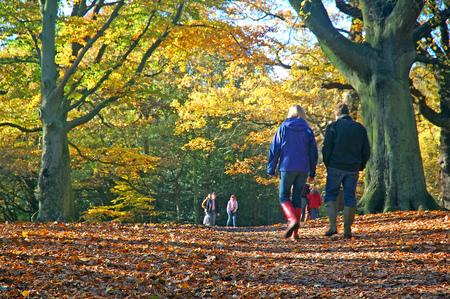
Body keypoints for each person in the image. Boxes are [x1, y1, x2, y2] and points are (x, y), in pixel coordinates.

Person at [267, 104, 318, 240]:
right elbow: (313, 152)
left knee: (283, 196)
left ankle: (291, 220)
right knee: (297, 198)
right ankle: (295, 235)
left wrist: (271, 168)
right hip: (303, 168)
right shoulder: (307, 130)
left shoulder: (283, 128)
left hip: (287, 166)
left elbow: (275, 149)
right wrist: (312, 172)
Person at [322, 103, 370, 238]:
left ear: (336, 113)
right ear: (348, 113)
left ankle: (332, 226)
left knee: (331, 194)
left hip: (335, 166)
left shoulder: (333, 127)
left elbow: (326, 148)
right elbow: (366, 149)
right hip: (353, 167)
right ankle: (347, 229)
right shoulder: (359, 128)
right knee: (350, 196)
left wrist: (328, 163)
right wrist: (361, 165)